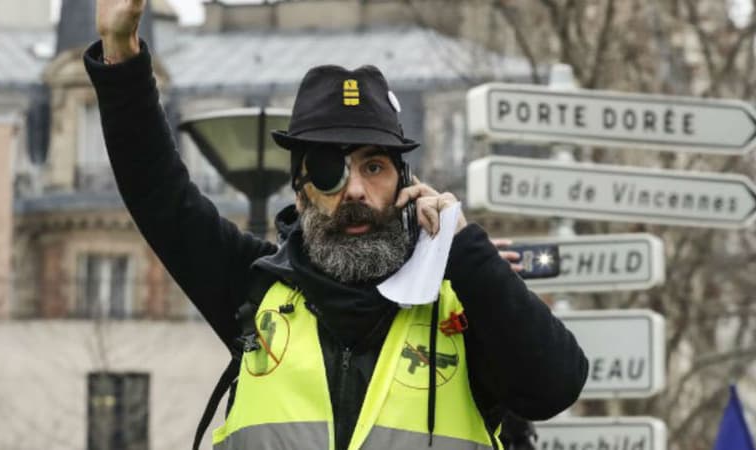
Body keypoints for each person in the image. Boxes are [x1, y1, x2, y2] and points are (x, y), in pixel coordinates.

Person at [86, 1, 588, 449]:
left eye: (374, 166)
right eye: (330, 169)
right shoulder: (255, 292)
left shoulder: (461, 303)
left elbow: (554, 386)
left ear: (406, 184)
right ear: (300, 188)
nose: (353, 191)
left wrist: (465, 250)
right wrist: (120, 51)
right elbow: (160, 195)